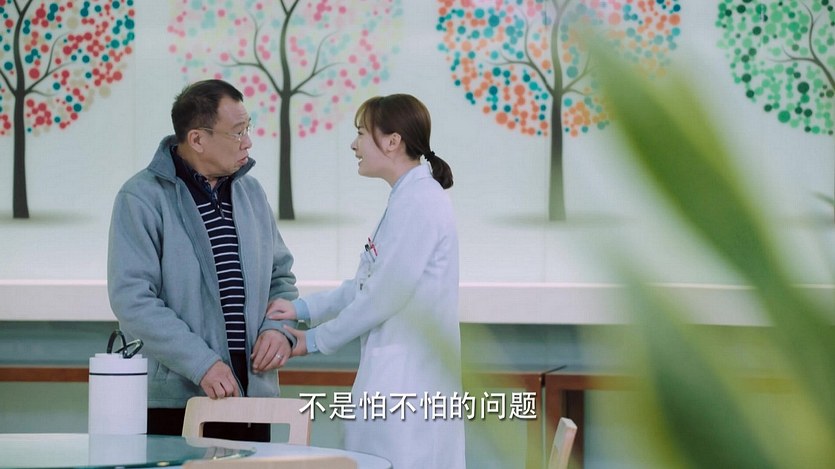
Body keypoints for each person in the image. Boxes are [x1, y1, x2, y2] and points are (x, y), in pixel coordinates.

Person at [267, 94, 466, 468]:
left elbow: (382, 297)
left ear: (393, 141)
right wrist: (302, 308)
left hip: (411, 385)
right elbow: (366, 284)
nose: (353, 144)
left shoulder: (420, 202)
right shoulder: (407, 198)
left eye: (361, 133)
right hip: (397, 378)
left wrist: (314, 340)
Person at [107, 79, 298, 442]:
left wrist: (278, 329)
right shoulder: (141, 197)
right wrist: (202, 364)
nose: (248, 142)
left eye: (248, 128)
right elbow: (133, 299)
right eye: (237, 132)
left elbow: (281, 279)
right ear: (197, 139)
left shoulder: (251, 193)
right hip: (177, 403)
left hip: (251, 400)